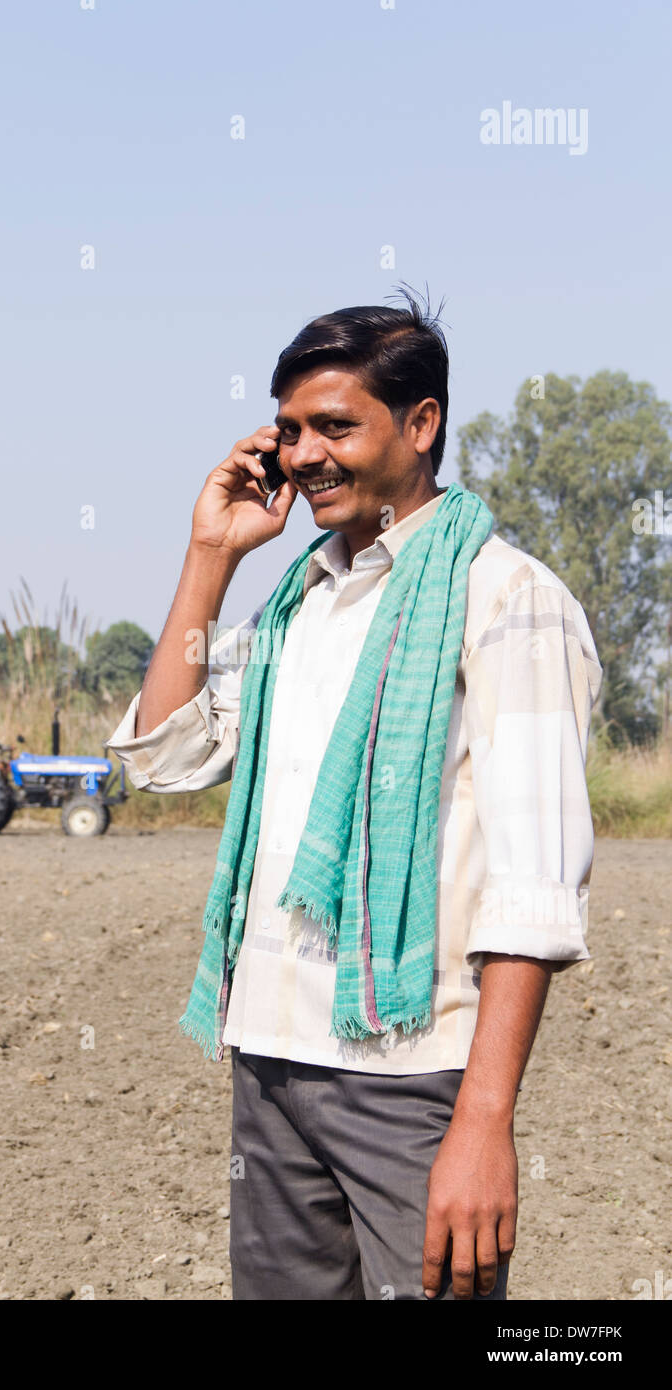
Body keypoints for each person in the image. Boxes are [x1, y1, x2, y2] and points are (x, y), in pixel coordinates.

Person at [106, 290, 604, 1301]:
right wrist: (210, 556)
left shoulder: (508, 601)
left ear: (419, 426)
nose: (302, 455)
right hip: (271, 1062)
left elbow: (534, 886)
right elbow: (163, 754)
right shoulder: (302, 602)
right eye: (288, 430)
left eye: (335, 425)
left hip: (412, 1077)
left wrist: (481, 1124)